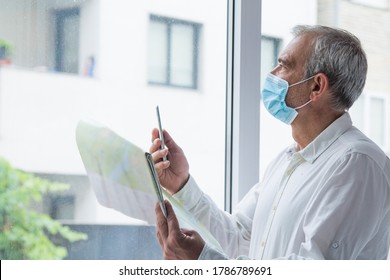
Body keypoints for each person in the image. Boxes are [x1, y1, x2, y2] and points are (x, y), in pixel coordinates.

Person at [150, 25, 390, 260]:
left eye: (284, 65)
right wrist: (182, 184)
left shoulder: (357, 163)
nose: (272, 74)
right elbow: (239, 238)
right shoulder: (288, 160)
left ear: (316, 86)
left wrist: (204, 261)